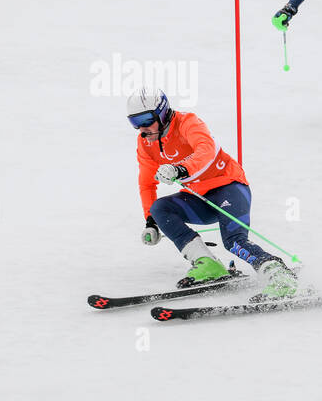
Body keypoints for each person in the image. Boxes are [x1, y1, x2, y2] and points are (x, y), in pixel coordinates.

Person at [127, 88, 299, 298]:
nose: (142, 128)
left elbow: (206, 150)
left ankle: (279, 275)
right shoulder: (145, 143)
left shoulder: (187, 122)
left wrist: (180, 168)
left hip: (230, 187)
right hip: (200, 199)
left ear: (161, 113)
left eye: (145, 119)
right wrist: (150, 222)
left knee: (234, 241)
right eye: (134, 122)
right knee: (160, 209)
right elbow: (146, 184)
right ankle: (207, 264)